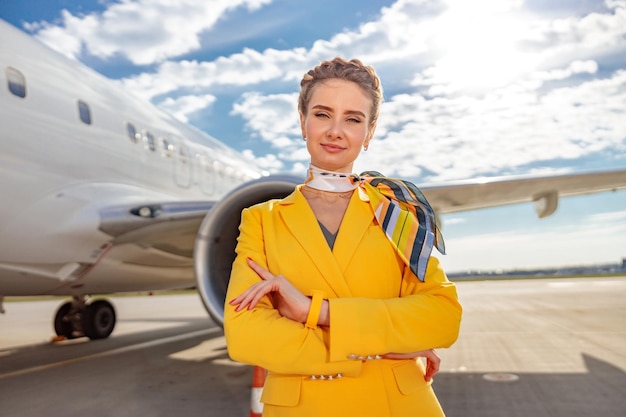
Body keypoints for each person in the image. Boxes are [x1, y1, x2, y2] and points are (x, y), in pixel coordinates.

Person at [224, 57, 462, 417]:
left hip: (398, 405)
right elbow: (245, 334)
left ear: (369, 133)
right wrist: (381, 346)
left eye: (353, 119)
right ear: (303, 122)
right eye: (322, 114)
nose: (336, 131)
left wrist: (315, 311)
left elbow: (442, 317)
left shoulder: (397, 212)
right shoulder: (261, 219)